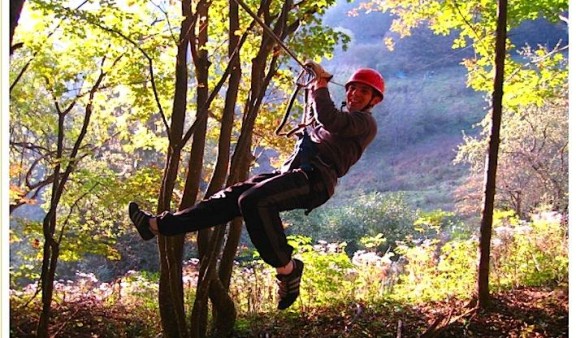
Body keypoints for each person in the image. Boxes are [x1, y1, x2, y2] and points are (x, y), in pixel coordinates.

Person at [128, 61, 385, 310]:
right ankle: (157, 225)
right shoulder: (338, 118)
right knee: (231, 198)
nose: (355, 93)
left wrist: (320, 84)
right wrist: (312, 87)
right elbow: (317, 117)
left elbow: (329, 118)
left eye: (364, 91)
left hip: (315, 181)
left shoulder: (364, 124)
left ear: (374, 100)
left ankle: (287, 269)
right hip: (293, 172)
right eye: (353, 88)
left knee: (253, 201)